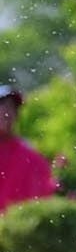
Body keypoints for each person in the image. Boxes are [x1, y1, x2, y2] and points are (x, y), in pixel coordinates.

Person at [0, 83, 55, 213]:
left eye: (12, 108)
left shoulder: (31, 158)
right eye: (2, 106)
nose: (7, 112)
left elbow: (42, 207)